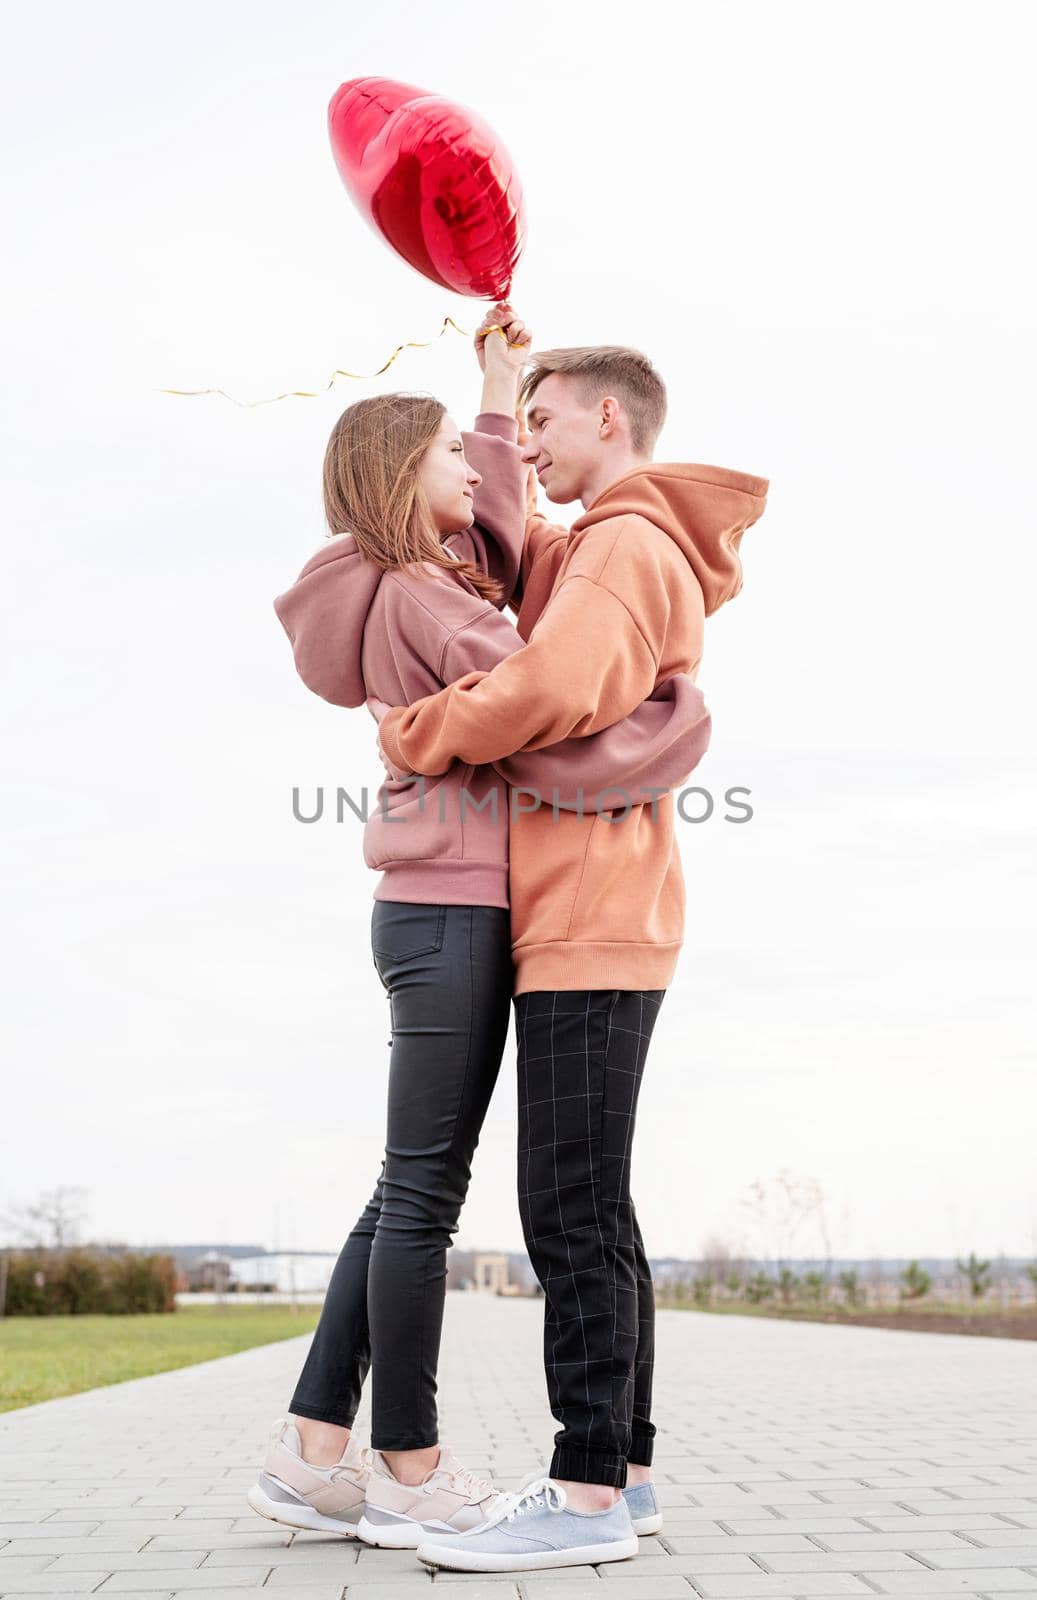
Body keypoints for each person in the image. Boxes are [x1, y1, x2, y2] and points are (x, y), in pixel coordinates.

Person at [246, 304, 713, 1557]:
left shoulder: (432, 578)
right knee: (437, 1199)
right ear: (412, 478)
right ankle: (412, 1466)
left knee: (417, 1192)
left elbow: (509, 565)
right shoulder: (442, 598)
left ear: (602, 419)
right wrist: (677, 720)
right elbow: (543, 688)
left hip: (441, 906)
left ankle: (315, 1449)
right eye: (460, 449)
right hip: (456, 908)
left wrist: (497, 395)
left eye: (502, 440)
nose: (490, 461)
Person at [370, 336, 770, 1574]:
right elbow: (497, 531)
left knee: (566, 1208)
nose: (528, 443)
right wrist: (493, 390)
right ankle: (628, 1473)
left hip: (588, 915)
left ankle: (585, 1493)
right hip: (601, 910)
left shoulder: (619, 546)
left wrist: (419, 728)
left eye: (545, 418)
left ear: (609, 417)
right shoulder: (595, 543)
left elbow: (543, 685)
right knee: (597, 1205)